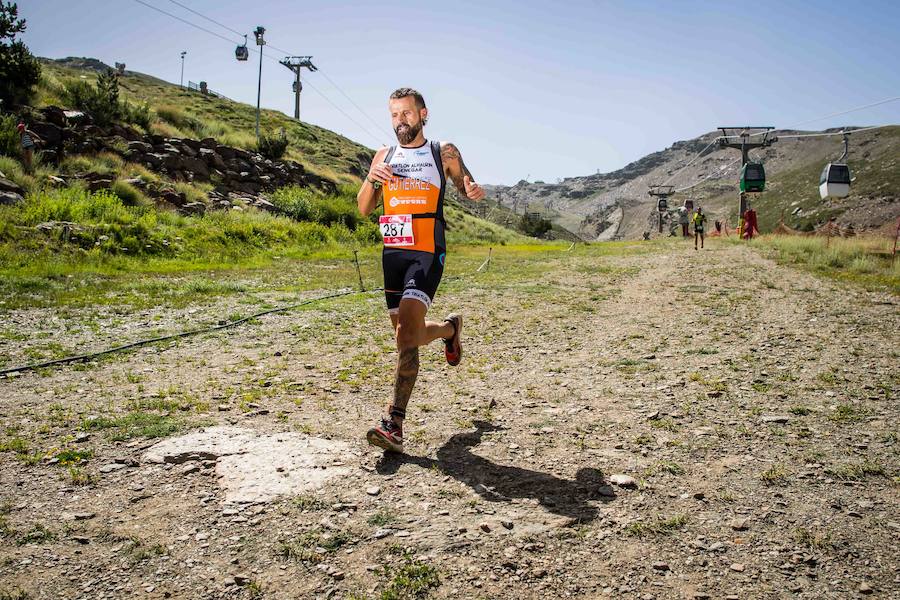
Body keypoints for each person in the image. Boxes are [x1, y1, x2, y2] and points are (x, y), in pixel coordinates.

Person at [357, 88, 485, 453]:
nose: (400, 121)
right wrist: (373, 179)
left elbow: (465, 186)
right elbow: (364, 207)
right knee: (406, 335)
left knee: (406, 333)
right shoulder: (383, 155)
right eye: (395, 115)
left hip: (427, 251)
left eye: (407, 114)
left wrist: (471, 189)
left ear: (423, 114)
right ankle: (450, 329)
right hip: (393, 252)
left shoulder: (443, 152)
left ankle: (393, 423)